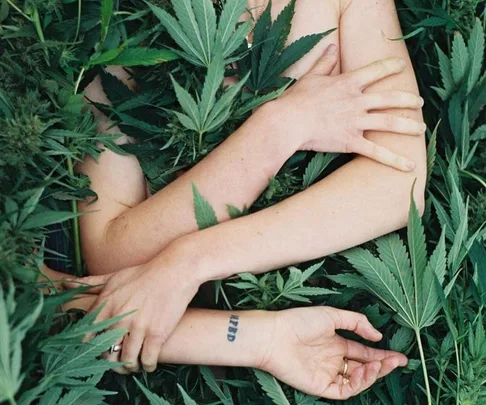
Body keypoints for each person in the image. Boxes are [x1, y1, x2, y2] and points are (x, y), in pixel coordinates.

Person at [52, 0, 426, 400]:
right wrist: (281, 128)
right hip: (172, 377)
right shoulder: (130, 25)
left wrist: (188, 261)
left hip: (330, 340)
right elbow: (114, 264)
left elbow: (398, 186)